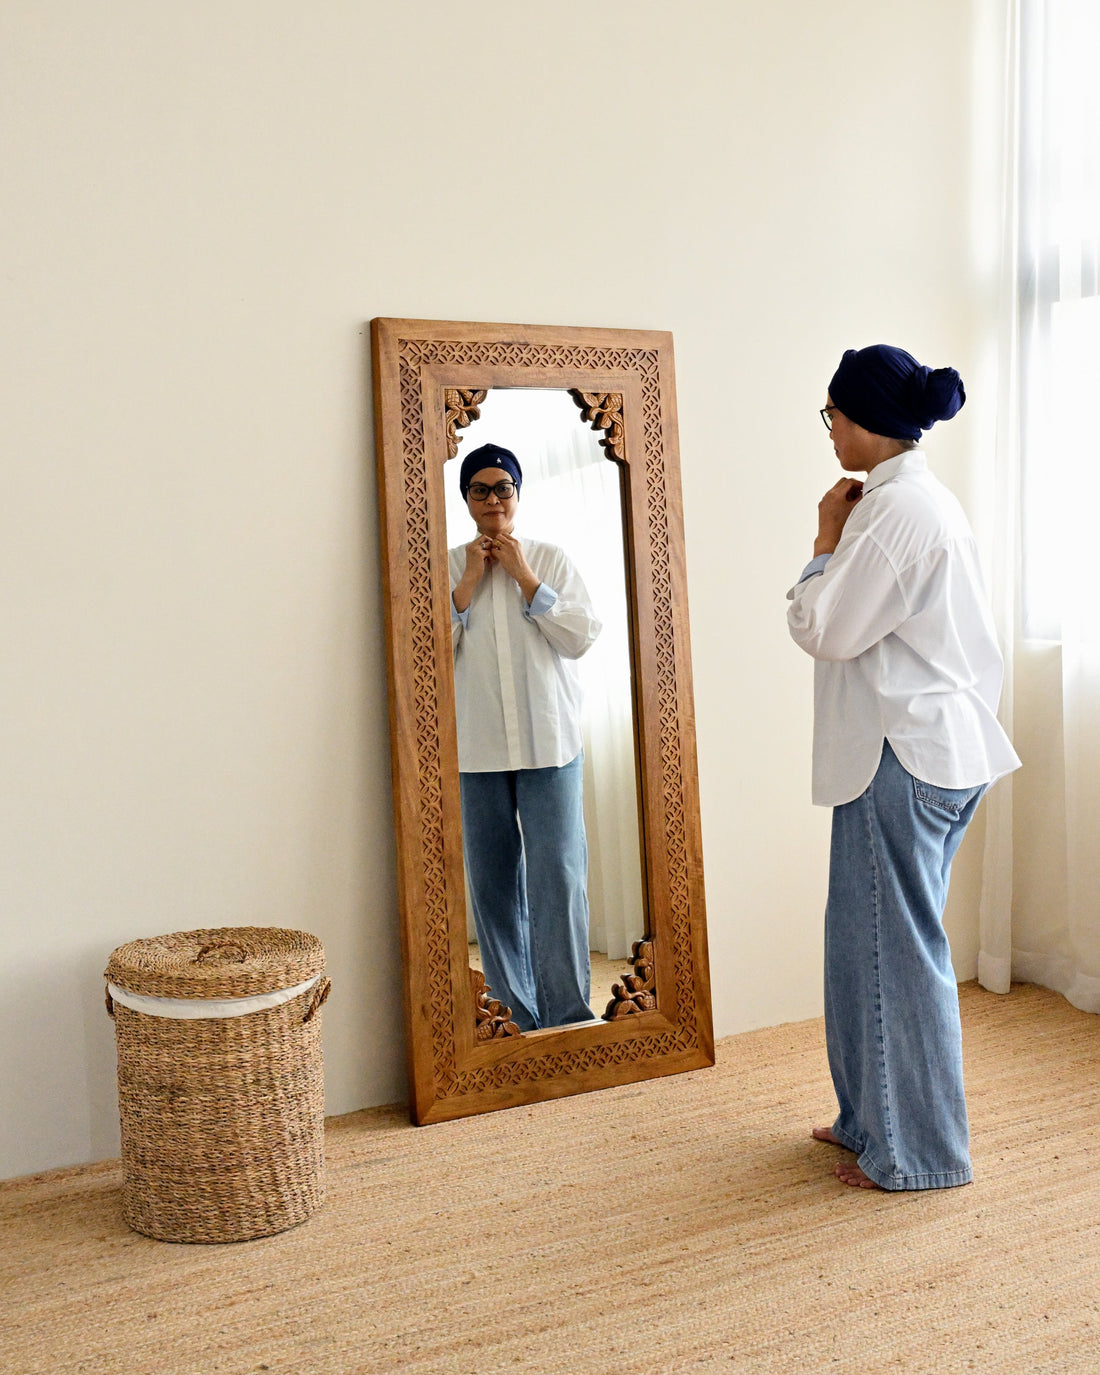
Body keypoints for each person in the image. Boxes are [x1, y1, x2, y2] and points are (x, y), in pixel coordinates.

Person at [787, 345, 1021, 1191]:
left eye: (834, 417)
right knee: (861, 945)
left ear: (870, 422)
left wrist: (821, 545)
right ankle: (866, 1121)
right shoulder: (907, 501)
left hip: (905, 753)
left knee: (898, 953)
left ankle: (922, 1153)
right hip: (919, 747)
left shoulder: (895, 513)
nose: (831, 433)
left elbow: (827, 629)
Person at [449, 442, 602, 1031]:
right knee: (491, 886)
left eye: (503, 488)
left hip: (550, 743)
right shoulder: (446, 564)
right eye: (480, 489)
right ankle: (519, 1015)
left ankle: (569, 1014)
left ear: (517, 494)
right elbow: (425, 657)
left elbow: (580, 637)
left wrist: (524, 577)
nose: (493, 499)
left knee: (559, 876)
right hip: (477, 748)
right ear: (466, 499)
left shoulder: (551, 558)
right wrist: (466, 586)